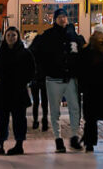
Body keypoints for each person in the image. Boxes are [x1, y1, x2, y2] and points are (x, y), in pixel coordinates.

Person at [29, 8, 82, 153]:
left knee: (74, 108)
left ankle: (74, 136)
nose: (63, 19)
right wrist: (42, 70)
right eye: (60, 17)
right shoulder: (48, 35)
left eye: (65, 17)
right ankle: (58, 139)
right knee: (55, 111)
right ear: (55, 19)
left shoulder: (72, 35)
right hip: (53, 78)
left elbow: (80, 50)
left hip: (69, 77)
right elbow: (35, 52)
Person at [0, 27, 34, 156]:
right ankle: (0, 144)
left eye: (13, 35)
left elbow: (31, 70)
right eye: (8, 35)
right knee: (1, 120)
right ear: (5, 37)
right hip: (2, 92)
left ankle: (19, 144)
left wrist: (23, 81)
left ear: (18, 37)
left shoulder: (25, 53)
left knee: (19, 119)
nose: (11, 38)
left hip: (18, 91)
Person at [29, 36, 49, 132]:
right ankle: (45, 120)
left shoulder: (31, 51)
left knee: (35, 102)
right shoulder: (46, 52)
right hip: (44, 79)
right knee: (45, 101)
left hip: (35, 79)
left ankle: (35, 121)